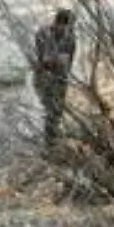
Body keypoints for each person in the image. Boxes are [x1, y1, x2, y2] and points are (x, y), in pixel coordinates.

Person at [33, 8, 77, 147]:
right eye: (68, 26)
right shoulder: (43, 33)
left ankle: (52, 138)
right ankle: (48, 140)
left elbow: (69, 61)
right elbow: (43, 59)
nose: (69, 30)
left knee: (57, 109)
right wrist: (55, 61)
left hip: (60, 77)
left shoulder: (71, 38)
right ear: (58, 23)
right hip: (44, 76)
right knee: (48, 107)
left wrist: (59, 64)